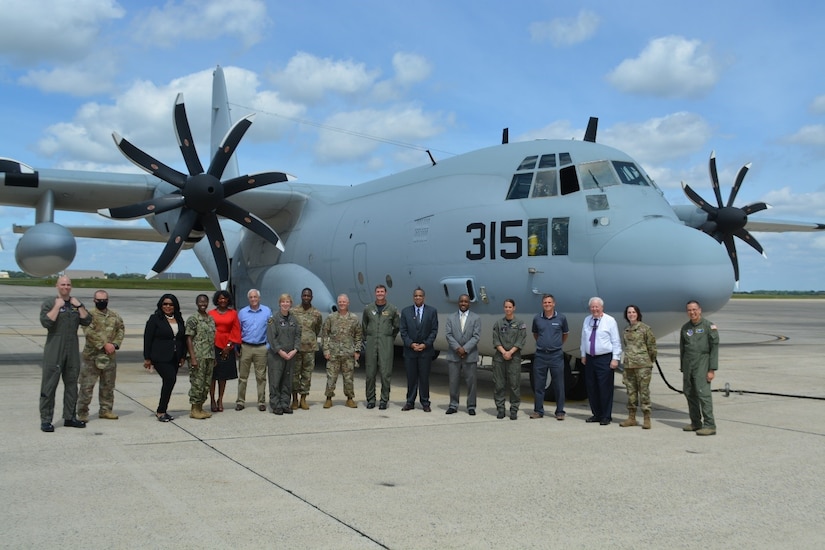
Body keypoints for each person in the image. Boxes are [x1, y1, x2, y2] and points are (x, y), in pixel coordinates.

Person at [38, 275, 91, 432]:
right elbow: (46, 322)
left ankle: (70, 417)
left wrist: (79, 305)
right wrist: (57, 306)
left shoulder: (75, 304)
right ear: (57, 286)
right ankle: (46, 420)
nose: (65, 287)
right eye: (63, 284)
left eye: (68, 284)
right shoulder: (50, 303)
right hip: (54, 349)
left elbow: (87, 320)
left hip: (72, 350)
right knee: (49, 386)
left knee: (72, 385)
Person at [76, 289, 124, 422]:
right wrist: (104, 345)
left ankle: (106, 410)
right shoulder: (88, 315)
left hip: (109, 356)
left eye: (104, 300)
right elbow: (88, 332)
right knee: (87, 386)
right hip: (91, 357)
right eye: (99, 300)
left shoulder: (114, 315)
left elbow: (121, 329)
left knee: (108, 385)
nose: (102, 302)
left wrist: (114, 344)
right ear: (94, 300)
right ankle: (82, 412)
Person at [143, 294, 187, 422]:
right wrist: (147, 358)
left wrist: (183, 355)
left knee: (170, 382)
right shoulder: (155, 319)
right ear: (161, 305)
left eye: (171, 304)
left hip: (175, 356)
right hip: (160, 356)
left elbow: (182, 339)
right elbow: (148, 338)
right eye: (165, 304)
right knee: (170, 379)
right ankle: (161, 411)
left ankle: (163, 410)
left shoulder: (178, 319)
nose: (168, 307)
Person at [580, 296, 622, 425]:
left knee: (605, 388)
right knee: (592, 387)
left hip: (604, 358)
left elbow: (616, 341)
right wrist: (583, 354)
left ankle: (606, 416)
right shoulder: (587, 320)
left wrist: (616, 358)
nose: (594, 309)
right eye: (592, 307)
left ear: (602, 308)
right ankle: (596, 414)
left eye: (597, 307)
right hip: (590, 358)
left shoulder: (610, 321)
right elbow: (583, 339)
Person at [680, 300, 719, 436]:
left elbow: (714, 349)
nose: (692, 312)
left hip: (702, 363)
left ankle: (710, 425)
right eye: (689, 310)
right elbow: (682, 349)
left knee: (703, 394)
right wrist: (683, 368)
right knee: (689, 393)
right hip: (688, 365)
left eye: (694, 309)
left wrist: (712, 369)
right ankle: (696, 422)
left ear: (700, 310)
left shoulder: (709, 327)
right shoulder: (685, 328)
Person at [530, 294, 569, 420]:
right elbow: (535, 334)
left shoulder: (561, 318)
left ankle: (560, 411)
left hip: (556, 355)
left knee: (559, 384)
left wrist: (555, 344)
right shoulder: (537, 319)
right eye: (545, 302)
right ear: (542, 304)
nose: (547, 304)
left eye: (549, 302)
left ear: (554, 304)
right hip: (541, 355)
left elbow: (565, 334)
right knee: (539, 385)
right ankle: (538, 410)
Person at [399, 288, 438, 412]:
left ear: (424, 297)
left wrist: (425, 344)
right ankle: (410, 402)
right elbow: (403, 331)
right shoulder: (406, 312)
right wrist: (411, 344)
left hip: (425, 351)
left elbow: (434, 330)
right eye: (415, 296)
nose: (418, 298)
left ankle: (425, 402)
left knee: (424, 378)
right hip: (410, 351)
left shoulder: (432, 311)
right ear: (413, 297)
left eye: (420, 296)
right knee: (411, 377)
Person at [321, 294, 363, 408]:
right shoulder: (331, 318)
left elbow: (358, 336)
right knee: (331, 377)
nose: (342, 303)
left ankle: (349, 399)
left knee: (349, 378)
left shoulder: (354, 318)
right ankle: (328, 398)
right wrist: (326, 350)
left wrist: (357, 351)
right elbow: (325, 334)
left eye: (344, 302)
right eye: (340, 302)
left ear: (348, 303)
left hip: (348, 353)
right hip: (334, 353)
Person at [362, 284, 400, 410]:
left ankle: (384, 400)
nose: (379, 294)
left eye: (382, 292)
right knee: (370, 373)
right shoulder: (368, 309)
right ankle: (371, 399)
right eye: (377, 291)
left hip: (386, 343)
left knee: (385, 373)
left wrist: (388, 337)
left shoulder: (392, 309)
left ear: (386, 293)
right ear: (375, 293)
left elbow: (397, 326)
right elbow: (364, 326)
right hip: (372, 342)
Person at [619, 305, 657, 429]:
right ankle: (631, 417)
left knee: (644, 392)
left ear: (638, 314)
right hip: (629, 366)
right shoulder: (626, 330)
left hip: (643, 366)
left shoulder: (645, 329)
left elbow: (652, 347)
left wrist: (648, 362)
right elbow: (627, 347)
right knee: (631, 392)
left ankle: (647, 418)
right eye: (629, 312)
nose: (631, 314)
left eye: (633, 312)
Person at [444, 294, 481, 415]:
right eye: (461, 301)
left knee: (471, 382)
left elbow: (476, 336)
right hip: (454, 355)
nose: (463, 303)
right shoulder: (451, 318)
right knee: (453, 382)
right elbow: (448, 335)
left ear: (469, 303)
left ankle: (471, 406)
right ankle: (453, 404)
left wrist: (465, 349)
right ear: (458, 303)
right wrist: (457, 348)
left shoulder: (476, 318)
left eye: (466, 301)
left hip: (469, 355)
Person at [236, 289, 271, 412]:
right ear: (248, 299)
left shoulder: (267, 311)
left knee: (261, 377)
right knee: (243, 376)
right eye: (251, 297)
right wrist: (238, 347)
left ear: (259, 298)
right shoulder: (242, 313)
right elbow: (238, 330)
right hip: (246, 347)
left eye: (255, 297)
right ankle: (240, 401)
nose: (253, 299)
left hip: (261, 347)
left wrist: (268, 346)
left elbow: (271, 329)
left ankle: (261, 401)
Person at [492, 298, 527, 420]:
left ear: (514, 308)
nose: (508, 309)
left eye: (510, 307)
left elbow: (521, 340)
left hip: (514, 358)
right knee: (499, 384)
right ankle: (500, 409)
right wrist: (503, 352)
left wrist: (510, 352)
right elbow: (496, 340)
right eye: (506, 307)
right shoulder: (498, 323)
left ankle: (514, 409)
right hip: (500, 358)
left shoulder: (520, 324)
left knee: (514, 385)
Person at [267, 293, 301, 415]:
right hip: (276, 356)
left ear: (291, 304)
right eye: (283, 302)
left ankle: (285, 403)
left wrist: (295, 350)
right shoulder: (273, 319)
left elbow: (298, 335)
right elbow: (272, 338)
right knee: (275, 381)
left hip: (290, 355)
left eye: (288, 302)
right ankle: (276, 405)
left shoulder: (294, 319)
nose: (285, 304)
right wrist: (280, 351)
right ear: (279, 303)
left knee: (287, 381)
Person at [208, 289, 241, 412]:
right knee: (212, 375)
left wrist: (229, 345)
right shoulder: (211, 313)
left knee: (223, 376)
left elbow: (236, 330)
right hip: (213, 346)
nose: (222, 300)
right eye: (220, 298)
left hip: (228, 345)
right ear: (217, 300)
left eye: (225, 298)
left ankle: (220, 399)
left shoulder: (233, 313)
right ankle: (211, 399)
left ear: (228, 300)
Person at [291, 287, 323, 410]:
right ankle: (294, 399)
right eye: (304, 295)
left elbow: (317, 329)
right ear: (301, 296)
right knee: (294, 374)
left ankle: (303, 399)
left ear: (311, 297)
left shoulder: (316, 313)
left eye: (308, 296)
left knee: (307, 375)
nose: (306, 298)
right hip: (296, 348)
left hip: (310, 349)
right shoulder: (294, 312)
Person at [185, 294, 215, 420]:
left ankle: (200, 407)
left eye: (205, 302)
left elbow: (212, 340)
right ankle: (194, 409)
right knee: (197, 383)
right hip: (198, 356)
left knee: (206, 384)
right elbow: (189, 338)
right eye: (201, 302)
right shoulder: (193, 319)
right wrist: (192, 357)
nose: (203, 304)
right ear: (197, 303)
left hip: (209, 356)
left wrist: (214, 358)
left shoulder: (210, 319)